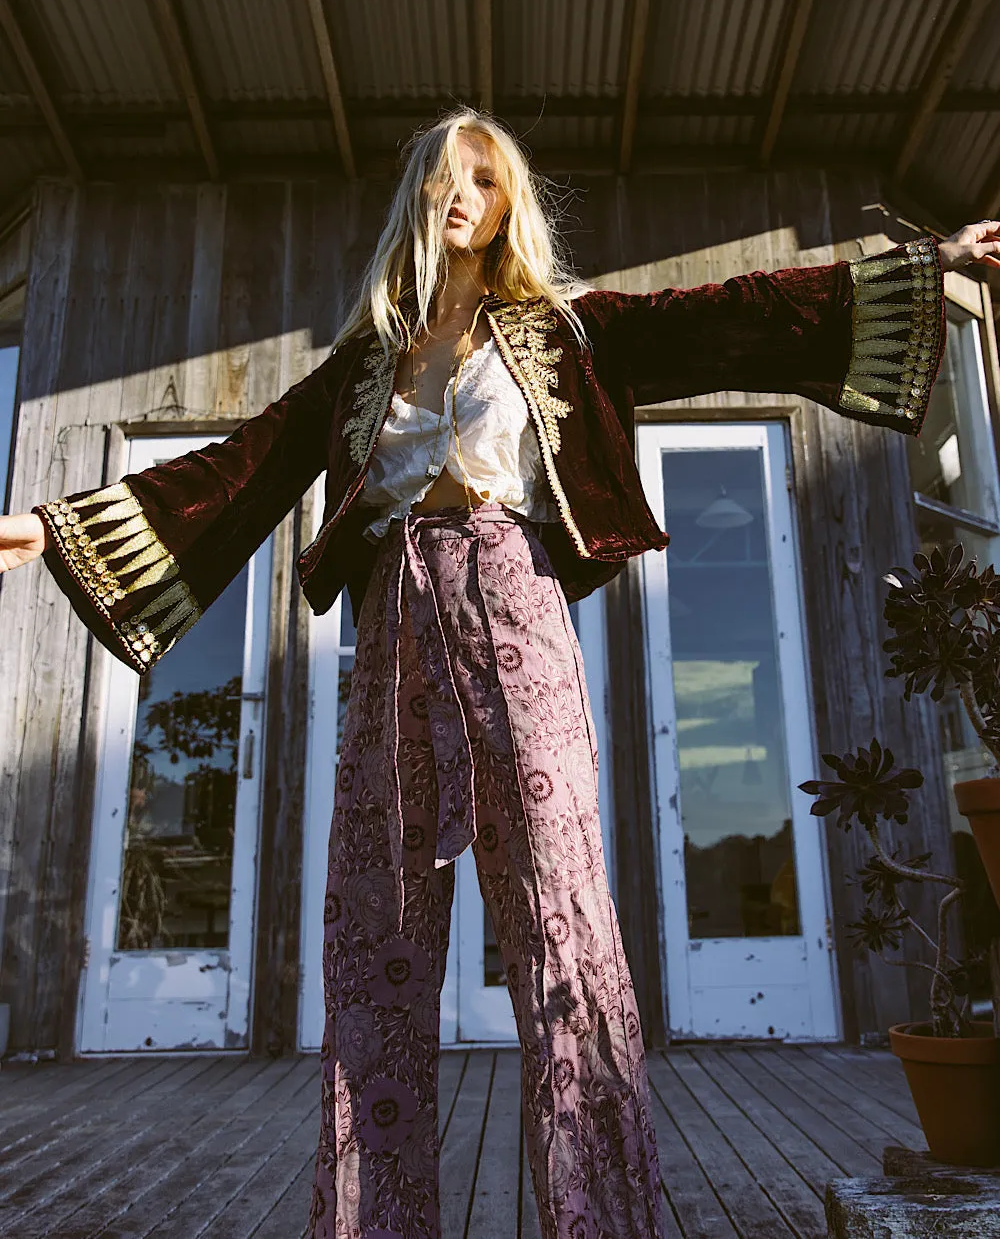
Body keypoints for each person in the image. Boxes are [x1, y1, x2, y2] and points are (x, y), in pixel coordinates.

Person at [2, 108, 998, 1239]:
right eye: (443, 179)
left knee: (560, 922)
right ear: (417, 201)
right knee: (376, 936)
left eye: (484, 178)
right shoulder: (364, 367)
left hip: (509, 593)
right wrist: (49, 526)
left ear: (508, 200)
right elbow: (242, 468)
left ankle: (600, 1220)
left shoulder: (560, 330)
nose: (463, 195)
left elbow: (731, 316)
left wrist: (932, 261)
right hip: (394, 620)